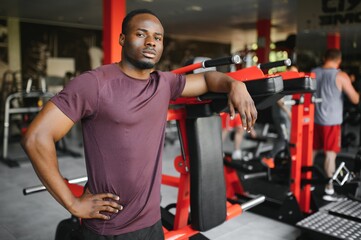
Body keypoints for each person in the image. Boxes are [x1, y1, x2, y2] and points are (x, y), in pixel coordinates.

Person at [21, 9, 257, 239]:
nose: (151, 42)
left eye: (158, 37)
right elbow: (36, 137)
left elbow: (206, 79)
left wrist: (234, 85)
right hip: (108, 229)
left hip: (151, 225)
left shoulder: (164, 83)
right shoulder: (94, 84)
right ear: (122, 39)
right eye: (141, 34)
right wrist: (72, 203)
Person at [312, 48, 359, 202]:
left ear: (325, 57)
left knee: (310, 154)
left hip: (315, 120)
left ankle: (306, 184)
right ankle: (329, 189)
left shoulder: (313, 72)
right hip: (331, 123)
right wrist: (349, 83)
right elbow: (355, 99)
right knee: (330, 156)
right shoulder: (341, 75)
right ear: (339, 60)